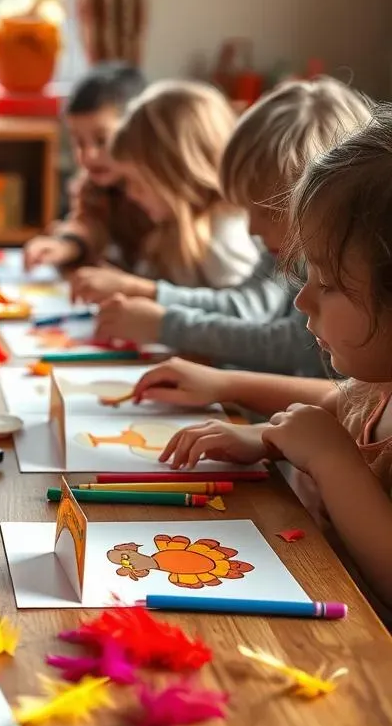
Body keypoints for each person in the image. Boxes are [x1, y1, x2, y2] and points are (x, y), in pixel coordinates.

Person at [137, 111, 392, 618]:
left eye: (329, 284)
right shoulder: (378, 384)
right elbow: (334, 401)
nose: (302, 303)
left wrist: (332, 460)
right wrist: (257, 423)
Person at [92, 78, 371, 376]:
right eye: (249, 210)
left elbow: (292, 347)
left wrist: (166, 325)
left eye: (268, 212)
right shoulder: (281, 249)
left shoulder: (340, 270)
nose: (251, 229)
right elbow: (249, 306)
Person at [69, 80, 259, 298]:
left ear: (176, 176)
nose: (130, 193)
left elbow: (245, 314)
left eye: (138, 182)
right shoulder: (169, 228)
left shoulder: (221, 237)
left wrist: (133, 289)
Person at [23, 61, 152, 272]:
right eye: (79, 142)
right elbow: (88, 222)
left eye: (102, 140)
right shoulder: (91, 185)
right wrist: (65, 245)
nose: (89, 155)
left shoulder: (159, 189)